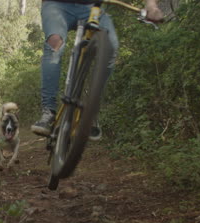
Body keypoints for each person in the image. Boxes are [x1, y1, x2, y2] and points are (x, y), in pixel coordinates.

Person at [31, 0, 163, 140]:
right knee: (54, 42)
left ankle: (89, 109)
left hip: (92, 7)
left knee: (110, 47)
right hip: (56, 4)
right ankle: (48, 112)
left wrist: (152, 6)